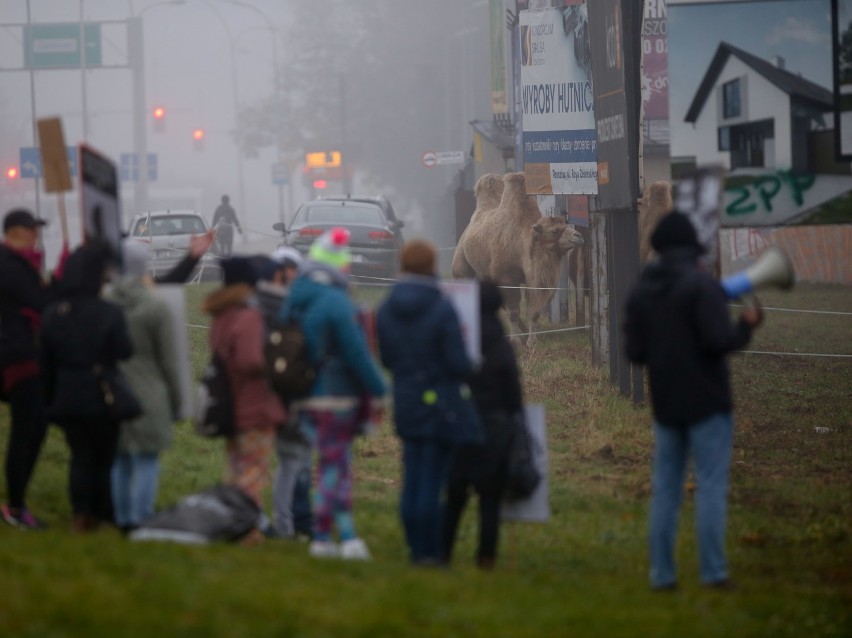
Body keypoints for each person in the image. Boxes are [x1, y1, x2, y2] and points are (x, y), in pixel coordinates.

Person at [623, 211, 763, 591]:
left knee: (666, 490)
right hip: (708, 403)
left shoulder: (641, 290)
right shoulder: (701, 286)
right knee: (711, 486)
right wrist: (746, 327)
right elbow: (720, 341)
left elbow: (633, 352)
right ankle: (713, 573)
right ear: (690, 247)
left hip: (666, 405)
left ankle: (662, 576)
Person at [281, 227, 386, 560]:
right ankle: (326, 538)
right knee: (333, 469)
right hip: (336, 398)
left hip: (303, 396)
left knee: (334, 467)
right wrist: (380, 389)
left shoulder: (296, 297)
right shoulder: (336, 303)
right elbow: (357, 354)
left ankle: (344, 536)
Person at [376, 239, 482, 566]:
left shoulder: (386, 307)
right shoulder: (441, 306)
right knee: (433, 480)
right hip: (442, 403)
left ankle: (414, 546)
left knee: (412, 476)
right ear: (432, 266)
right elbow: (457, 362)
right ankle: (430, 552)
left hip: (407, 398)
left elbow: (388, 359)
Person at [40, 243, 134, 532]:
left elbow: (45, 359)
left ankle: (81, 514)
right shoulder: (109, 312)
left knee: (79, 457)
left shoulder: (55, 312)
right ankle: (105, 513)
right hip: (102, 392)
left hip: (67, 393)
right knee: (104, 459)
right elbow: (124, 350)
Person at [202, 256, 285, 544]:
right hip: (254, 405)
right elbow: (251, 360)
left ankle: (229, 521)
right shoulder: (249, 315)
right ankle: (246, 530)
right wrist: (275, 363)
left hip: (230, 404)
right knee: (253, 471)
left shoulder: (221, 313)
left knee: (235, 469)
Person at [442, 279, 522, 570]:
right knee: (490, 498)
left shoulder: (459, 342)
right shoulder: (502, 346)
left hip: (461, 424)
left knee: (454, 495)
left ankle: (443, 553)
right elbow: (514, 395)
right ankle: (486, 558)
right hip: (495, 428)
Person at [107, 242, 183, 534]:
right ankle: (142, 519)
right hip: (150, 391)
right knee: (146, 459)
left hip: (113, 390)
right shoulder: (155, 305)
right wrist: (177, 402)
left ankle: (123, 518)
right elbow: (169, 361)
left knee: (120, 457)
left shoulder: (105, 301)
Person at [0, 208, 68, 529]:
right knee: (27, 430)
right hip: (16, 358)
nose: (36, 236)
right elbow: (42, 301)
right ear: (14, 231)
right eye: (31, 230)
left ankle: (16, 503)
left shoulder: (22, 264)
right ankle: (15, 508)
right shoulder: (9, 266)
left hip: (25, 355)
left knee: (36, 427)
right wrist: (60, 277)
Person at [249, 248, 314, 540]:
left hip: (280, 393)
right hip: (285, 393)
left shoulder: (255, 304)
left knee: (292, 464)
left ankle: (290, 522)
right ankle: (290, 523)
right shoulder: (292, 307)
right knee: (291, 463)